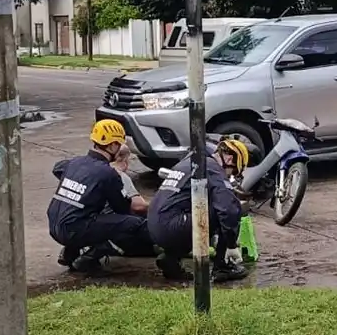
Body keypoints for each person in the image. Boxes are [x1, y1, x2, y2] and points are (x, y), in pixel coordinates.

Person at [47, 119, 171, 277]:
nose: (119, 149)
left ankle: (71, 253)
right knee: (131, 223)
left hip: (54, 225)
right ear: (112, 145)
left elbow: (58, 168)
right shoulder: (107, 174)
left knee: (85, 215)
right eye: (118, 144)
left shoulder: (74, 163)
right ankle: (91, 257)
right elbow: (123, 208)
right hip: (73, 230)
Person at [147, 135, 251, 283]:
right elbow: (227, 208)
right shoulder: (213, 168)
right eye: (233, 172)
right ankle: (222, 267)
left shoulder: (190, 162)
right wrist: (231, 244)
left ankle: (171, 258)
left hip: (155, 224)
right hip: (172, 226)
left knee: (199, 210)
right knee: (230, 209)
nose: (230, 177)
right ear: (229, 160)